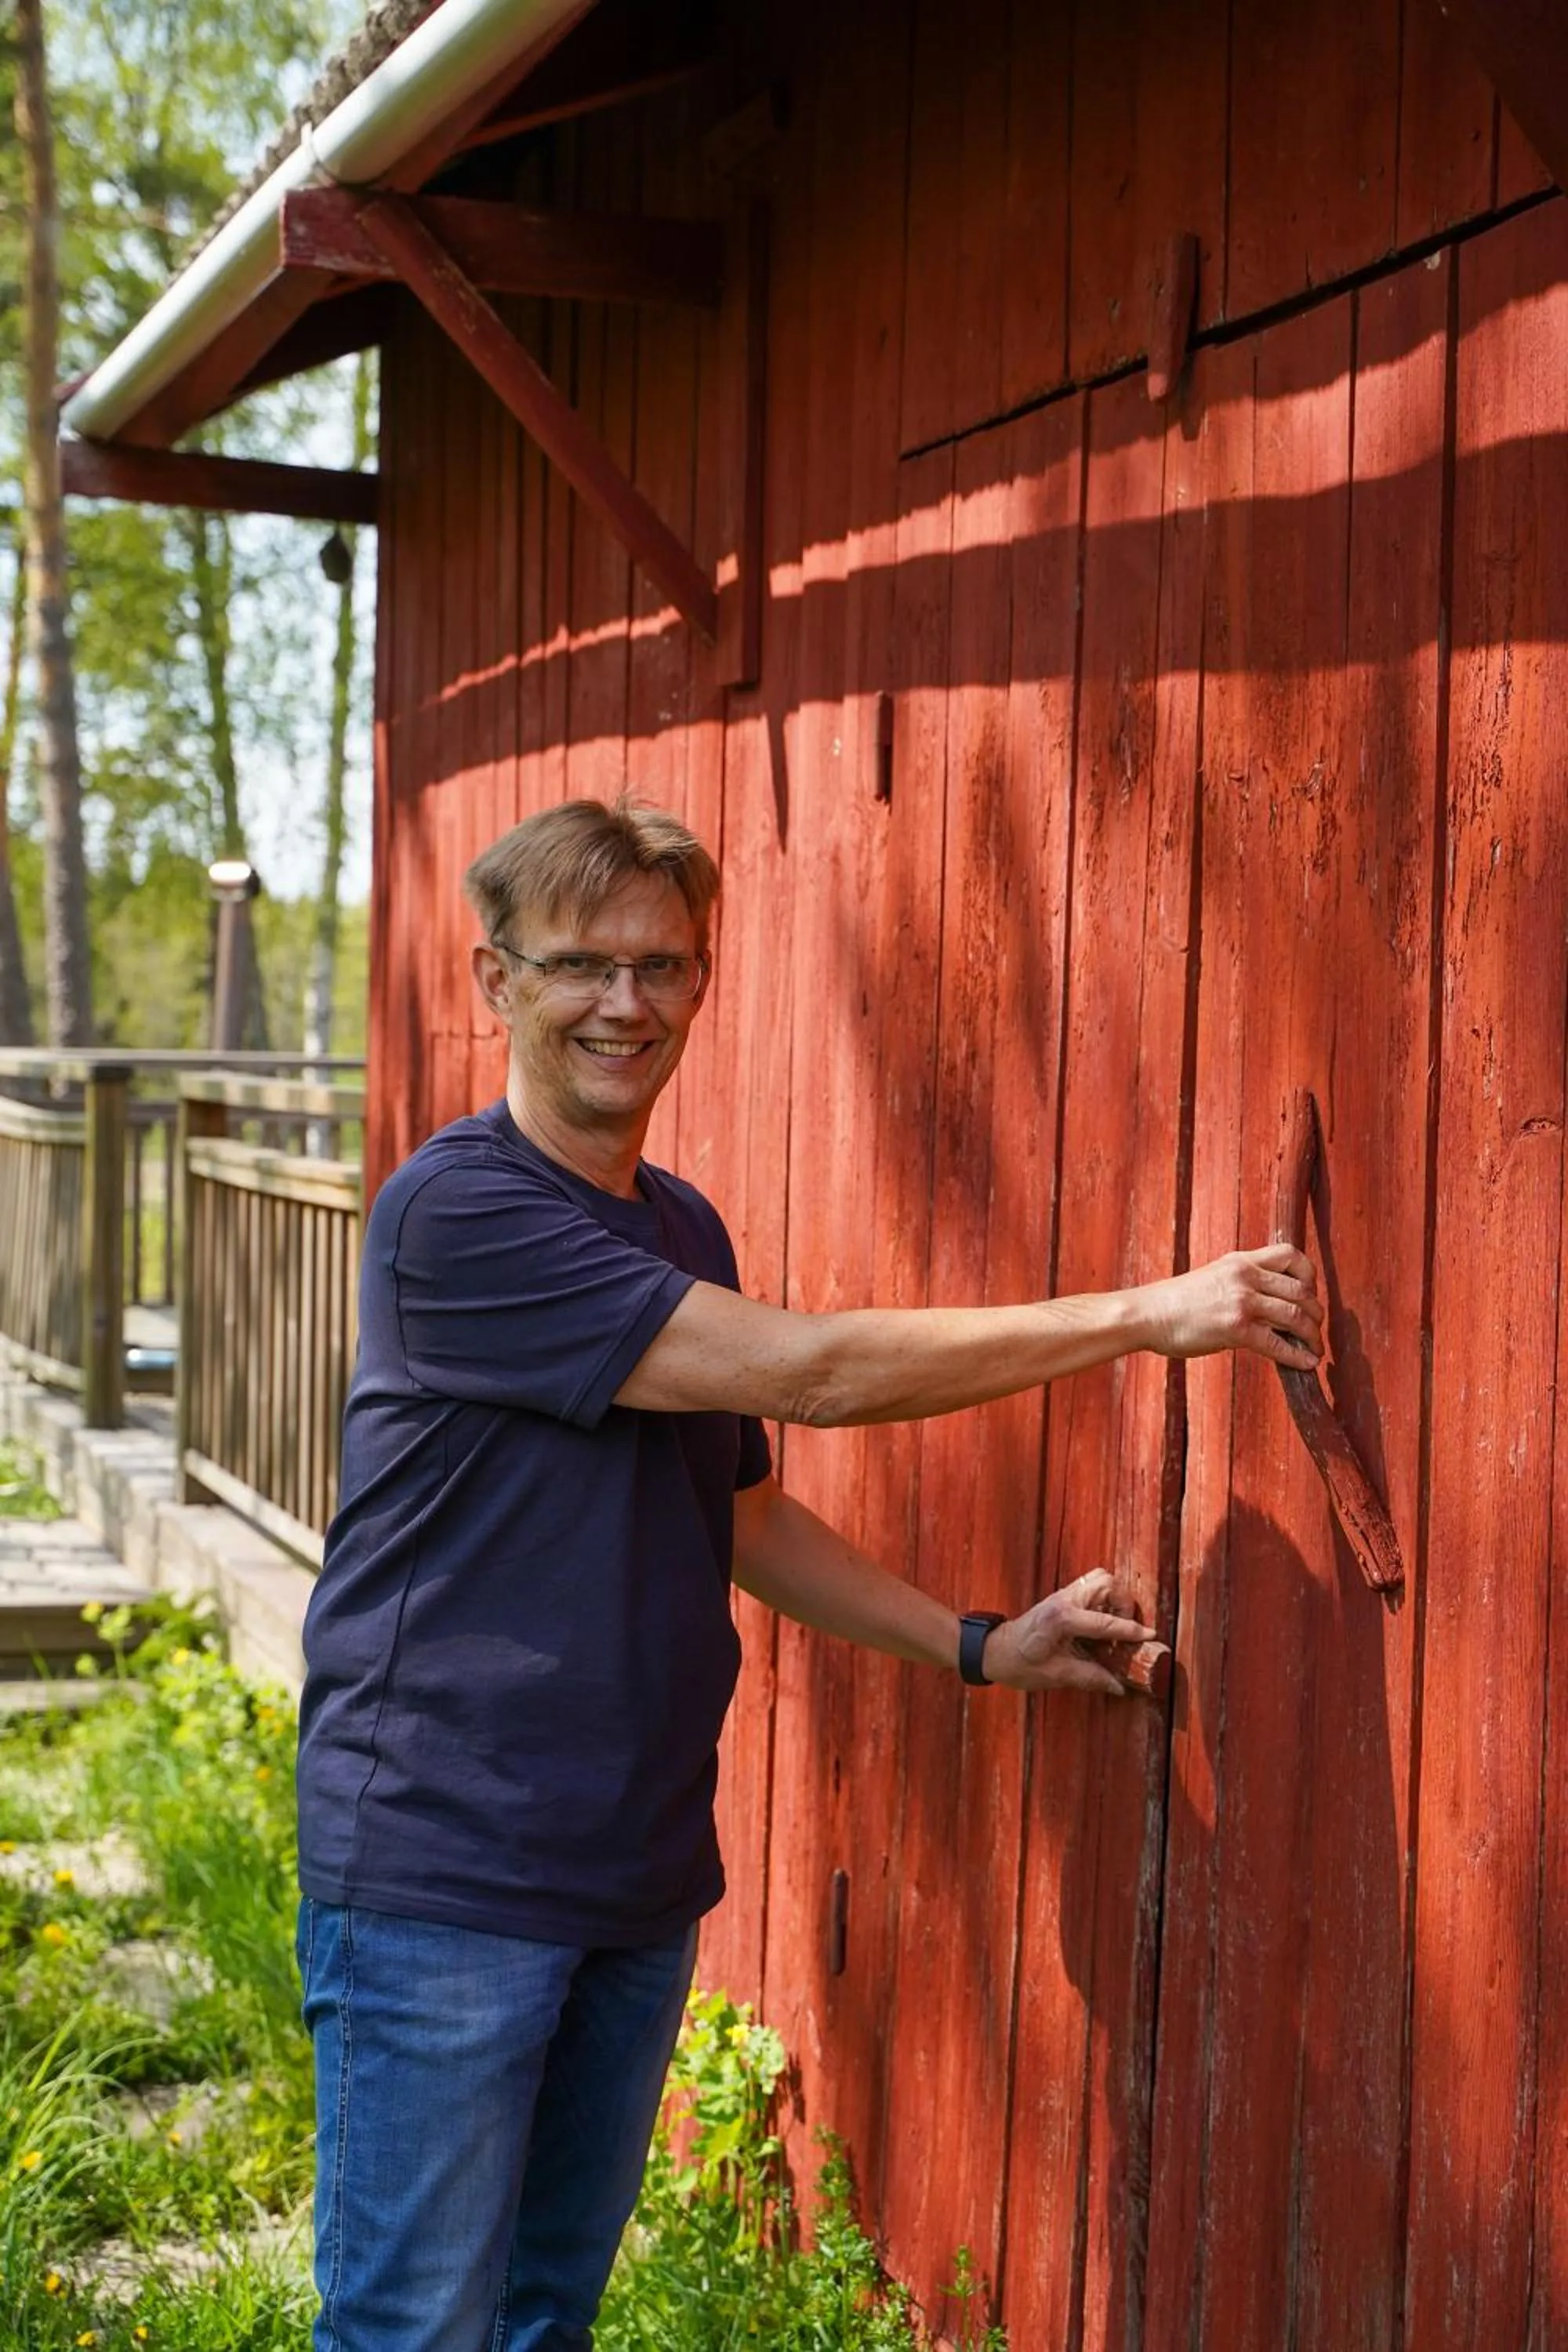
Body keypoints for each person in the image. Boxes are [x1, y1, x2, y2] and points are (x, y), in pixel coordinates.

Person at [294, 796, 1322, 2352]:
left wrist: (976, 1644)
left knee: (540, 2318)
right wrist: (1143, 1314)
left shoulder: (672, 1226)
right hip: (446, 1870)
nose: (624, 1005)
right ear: (496, 981)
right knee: (417, 2329)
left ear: (701, 982)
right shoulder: (461, 1214)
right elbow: (817, 1372)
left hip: (631, 1870)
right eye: (580, 964)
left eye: (662, 965)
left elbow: (745, 1520)